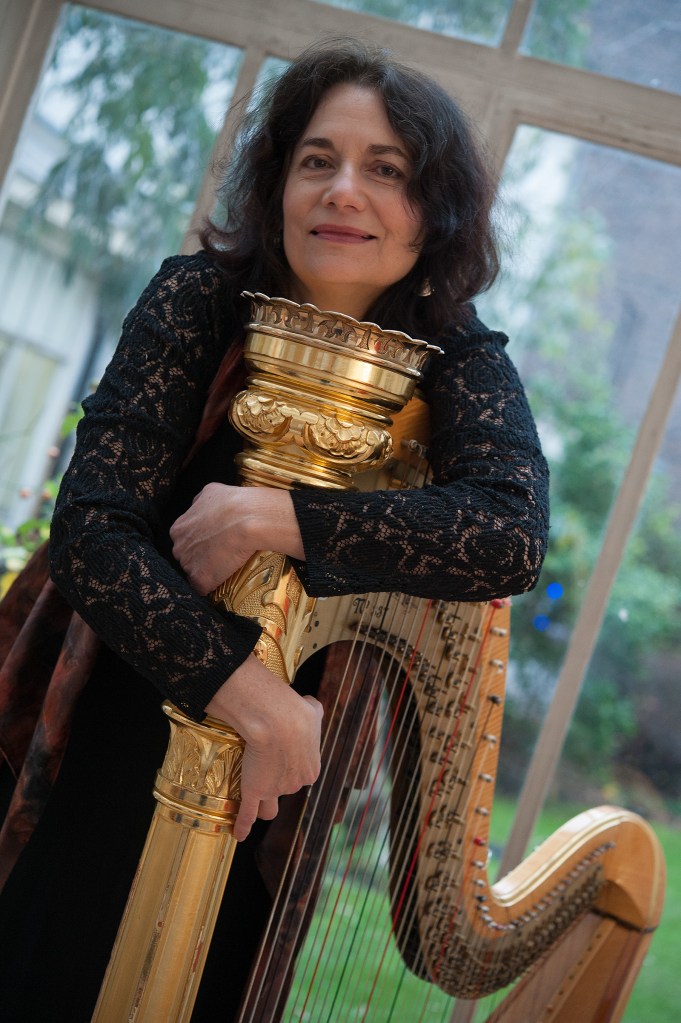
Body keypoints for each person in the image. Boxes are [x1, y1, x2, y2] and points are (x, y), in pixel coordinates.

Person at [0, 38, 549, 1023]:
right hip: (115, 726)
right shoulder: (199, 298)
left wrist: (279, 514)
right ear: (278, 185)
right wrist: (255, 699)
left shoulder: (458, 357)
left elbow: (506, 534)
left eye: (387, 170)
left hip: (273, 798)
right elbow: (91, 532)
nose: (343, 190)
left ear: (435, 209)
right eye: (316, 160)